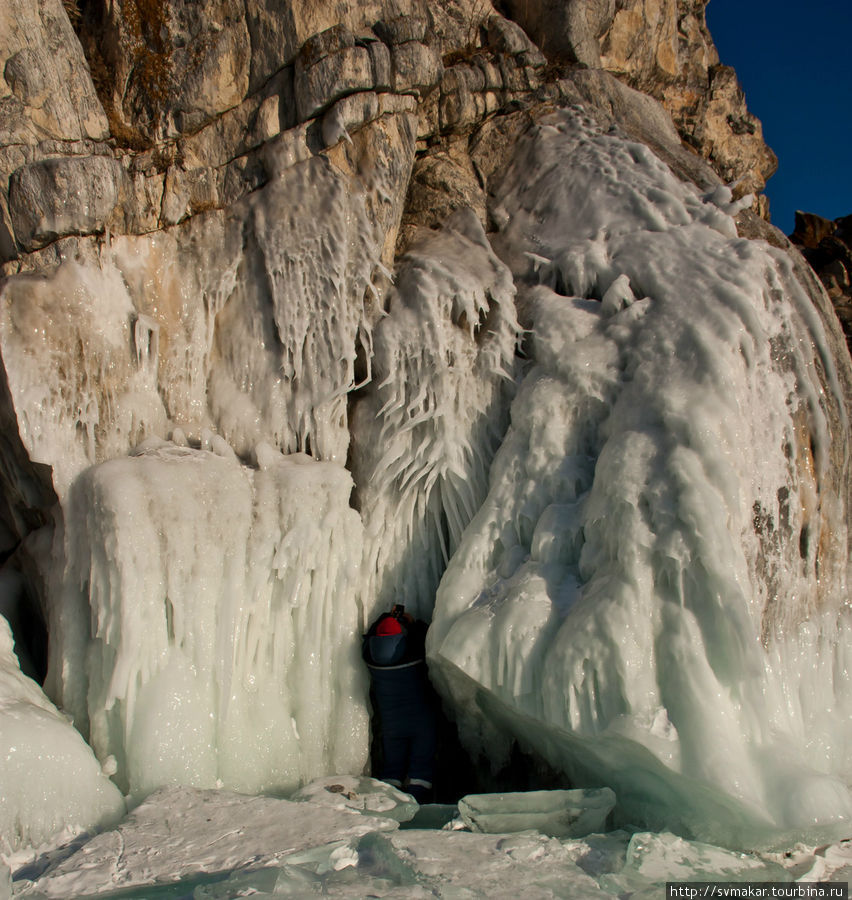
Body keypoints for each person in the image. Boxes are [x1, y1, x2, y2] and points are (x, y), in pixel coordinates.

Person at [363, 605, 437, 803]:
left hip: (392, 726)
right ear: (399, 639)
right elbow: (425, 636)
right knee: (420, 770)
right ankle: (417, 804)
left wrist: (387, 619)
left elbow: (369, 635)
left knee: (392, 769)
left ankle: (388, 805)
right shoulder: (411, 657)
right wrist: (409, 622)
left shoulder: (371, 659)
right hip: (420, 723)